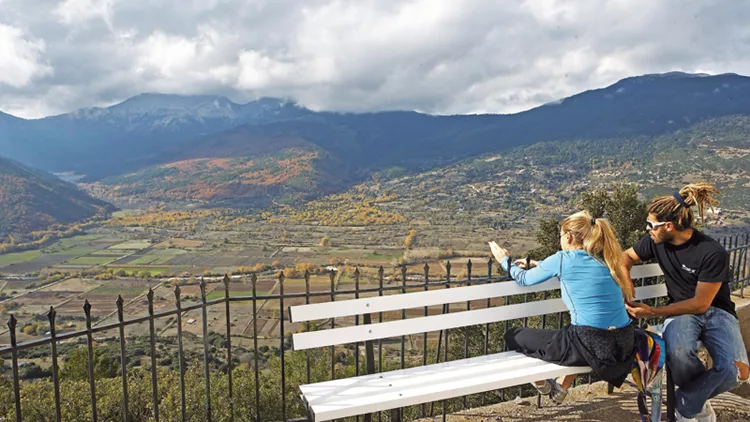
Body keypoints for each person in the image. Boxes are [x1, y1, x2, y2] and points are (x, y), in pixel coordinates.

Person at [622, 183, 749, 422]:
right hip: (681, 313)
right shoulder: (655, 241)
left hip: (716, 312)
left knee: (736, 372)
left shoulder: (711, 252)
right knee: (679, 354)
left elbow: (700, 304)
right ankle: (697, 404)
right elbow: (626, 256)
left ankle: (685, 402)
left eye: (651, 225)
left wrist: (653, 311)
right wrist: (627, 279)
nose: (647, 229)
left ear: (668, 226)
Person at [489, 210, 635, 404]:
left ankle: (542, 383)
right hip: (622, 346)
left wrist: (504, 261)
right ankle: (559, 388)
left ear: (568, 236)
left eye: (560, 236)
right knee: (569, 333)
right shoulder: (604, 259)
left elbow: (524, 279)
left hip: (590, 348)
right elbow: (571, 269)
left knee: (513, 336)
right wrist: (536, 264)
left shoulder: (562, 260)